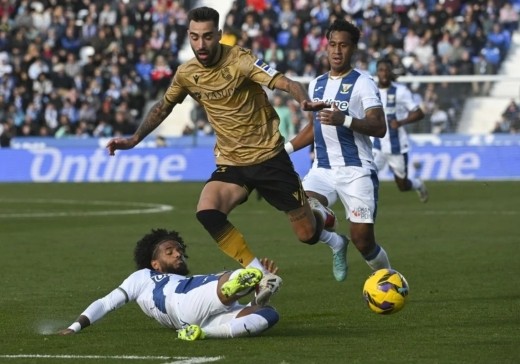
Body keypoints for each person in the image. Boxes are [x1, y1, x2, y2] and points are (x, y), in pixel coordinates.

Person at [106, 6, 348, 300]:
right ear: (188, 36)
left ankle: (329, 230)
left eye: (207, 37)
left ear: (219, 35)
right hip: (231, 162)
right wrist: (134, 139)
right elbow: (163, 107)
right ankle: (261, 274)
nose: (201, 45)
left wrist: (304, 101)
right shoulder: (187, 73)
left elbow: (288, 83)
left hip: (269, 157)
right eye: (194, 38)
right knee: (207, 212)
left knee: (307, 235)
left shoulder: (241, 60)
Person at [284, 19, 392, 280]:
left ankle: (389, 279)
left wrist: (343, 119)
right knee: (305, 224)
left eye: (343, 45)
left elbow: (379, 127)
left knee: (363, 242)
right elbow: (314, 128)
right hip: (323, 170)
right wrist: (284, 149)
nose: (336, 51)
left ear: (353, 48)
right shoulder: (317, 83)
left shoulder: (363, 83)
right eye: (332, 44)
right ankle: (335, 241)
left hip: (356, 171)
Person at [58, 228, 280, 341]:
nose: (178, 255)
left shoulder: (180, 278)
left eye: (180, 252)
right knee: (227, 277)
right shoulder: (142, 277)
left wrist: (256, 299)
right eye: (170, 252)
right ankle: (247, 278)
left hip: (194, 319)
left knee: (269, 315)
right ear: (154, 263)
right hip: (184, 298)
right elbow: (106, 303)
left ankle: (205, 334)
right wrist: (74, 326)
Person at [372, 59, 428, 203]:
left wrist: (401, 122)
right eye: (381, 70)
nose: (384, 73)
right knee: (366, 176)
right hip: (376, 146)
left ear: (391, 72)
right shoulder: (371, 90)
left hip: (397, 146)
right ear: (377, 72)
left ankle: (418, 184)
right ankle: (366, 207)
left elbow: (419, 113)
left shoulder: (401, 91)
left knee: (402, 186)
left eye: (387, 70)